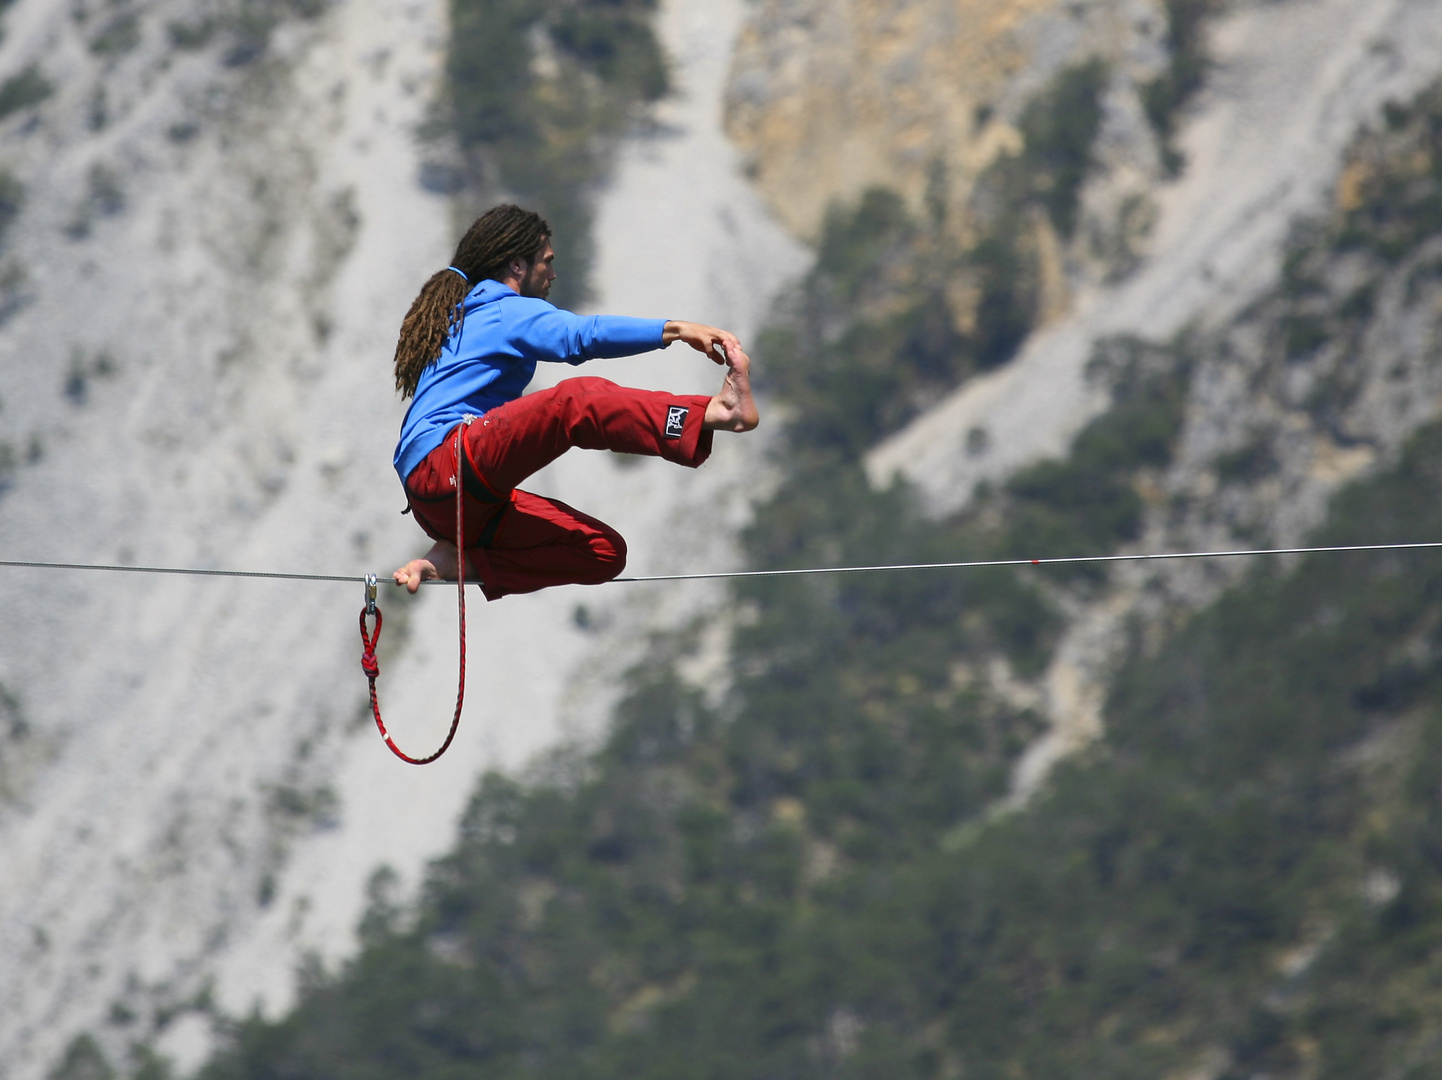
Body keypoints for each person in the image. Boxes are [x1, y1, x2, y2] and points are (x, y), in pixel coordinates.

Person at [390, 203, 759, 599]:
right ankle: (713, 411)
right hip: (447, 464)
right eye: (546, 262)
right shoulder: (501, 310)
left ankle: (460, 560)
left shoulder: (462, 318)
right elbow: (581, 337)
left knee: (603, 552)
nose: (552, 274)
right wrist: (677, 329)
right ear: (517, 266)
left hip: (446, 503)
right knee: (575, 401)